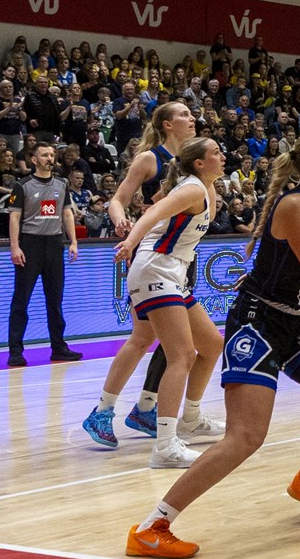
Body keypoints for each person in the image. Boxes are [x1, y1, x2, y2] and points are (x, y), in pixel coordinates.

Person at [127, 128, 300, 558]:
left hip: (297, 322)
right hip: (259, 323)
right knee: (245, 437)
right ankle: (153, 525)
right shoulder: (296, 205)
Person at [84, 138, 228, 469]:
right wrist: (130, 242)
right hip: (156, 268)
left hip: (171, 271)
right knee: (182, 355)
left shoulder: (204, 189)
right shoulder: (192, 189)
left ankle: (190, 417)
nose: (223, 156)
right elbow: (153, 213)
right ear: (199, 163)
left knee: (211, 345)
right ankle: (164, 445)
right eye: (216, 153)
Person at [104, 102, 202, 441]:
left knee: (171, 339)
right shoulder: (150, 159)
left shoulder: (193, 160)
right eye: (184, 115)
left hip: (181, 255)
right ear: (166, 124)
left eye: (192, 114)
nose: (192, 118)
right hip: (152, 252)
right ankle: (107, 410)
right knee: (145, 336)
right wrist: (121, 221)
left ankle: (146, 406)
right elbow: (117, 200)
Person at [6, 142, 81, 368]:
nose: (50, 158)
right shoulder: (22, 185)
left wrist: (73, 241)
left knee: (55, 300)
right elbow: (14, 217)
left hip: (54, 244)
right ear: (34, 160)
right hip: (30, 244)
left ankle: (59, 347)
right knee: (21, 300)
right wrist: (15, 247)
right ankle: (15, 352)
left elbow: (67, 214)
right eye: (45, 155)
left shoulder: (62, 183)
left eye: (52, 155)